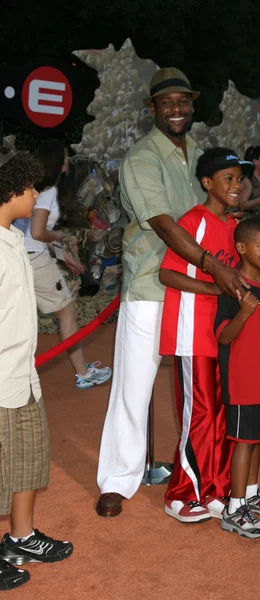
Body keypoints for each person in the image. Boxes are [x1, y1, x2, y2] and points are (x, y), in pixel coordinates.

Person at [95, 68, 257, 518]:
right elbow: (165, 224)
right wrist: (211, 266)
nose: (177, 109)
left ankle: (200, 478)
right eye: (167, 102)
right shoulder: (141, 158)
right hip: (152, 285)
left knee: (201, 393)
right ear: (152, 109)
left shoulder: (202, 156)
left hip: (200, 293)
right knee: (134, 385)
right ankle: (117, 479)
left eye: (183, 101)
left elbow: (221, 211)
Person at [159, 148, 255, 523]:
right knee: (197, 414)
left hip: (220, 334)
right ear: (207, 183)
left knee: (219, 413)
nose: (236, 185)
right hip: (191, 332)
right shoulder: (194, 220)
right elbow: (167, 274)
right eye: (227, 178)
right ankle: (180, 495)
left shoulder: (234, 227)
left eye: (239, 178)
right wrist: (215, 288)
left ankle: (212, 487)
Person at [0, 147, 73, 591]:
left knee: (28, 457)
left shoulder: (13, 238)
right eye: (30, 188)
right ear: (13, 191)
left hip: (23, 373)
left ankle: (21, 538)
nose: (34, 195)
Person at [14, 139, 112, 389]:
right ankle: (82, 373)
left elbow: (29, 230)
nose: (68, 161)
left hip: (15, 256)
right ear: (58, 164)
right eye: (66, 157)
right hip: (34, 261)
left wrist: (63, 254)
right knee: (66, 312)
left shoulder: (25, 183)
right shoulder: (46, 191)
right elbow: (38, 233)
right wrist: (62, 237)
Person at [215, 218, 260, 539]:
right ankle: (234, 507)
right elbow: (223, 337)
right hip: (242, 382)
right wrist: (243, 312)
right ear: (242, 248)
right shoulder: (233, 290)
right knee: (243, 442)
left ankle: (253, 493)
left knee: (258, 439)